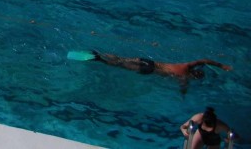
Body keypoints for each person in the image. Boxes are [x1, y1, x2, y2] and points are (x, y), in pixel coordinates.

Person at [76, 50, 232, 90]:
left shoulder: (185, 66)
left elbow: (203, 60)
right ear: (194, 77)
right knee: (120, 65)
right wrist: (184, 93)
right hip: (149, 70)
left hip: (149, 62)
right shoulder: (183, 77)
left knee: (121, 59)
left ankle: (100, 54)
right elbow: (183, 88)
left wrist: (221, 65)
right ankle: (99, 59)